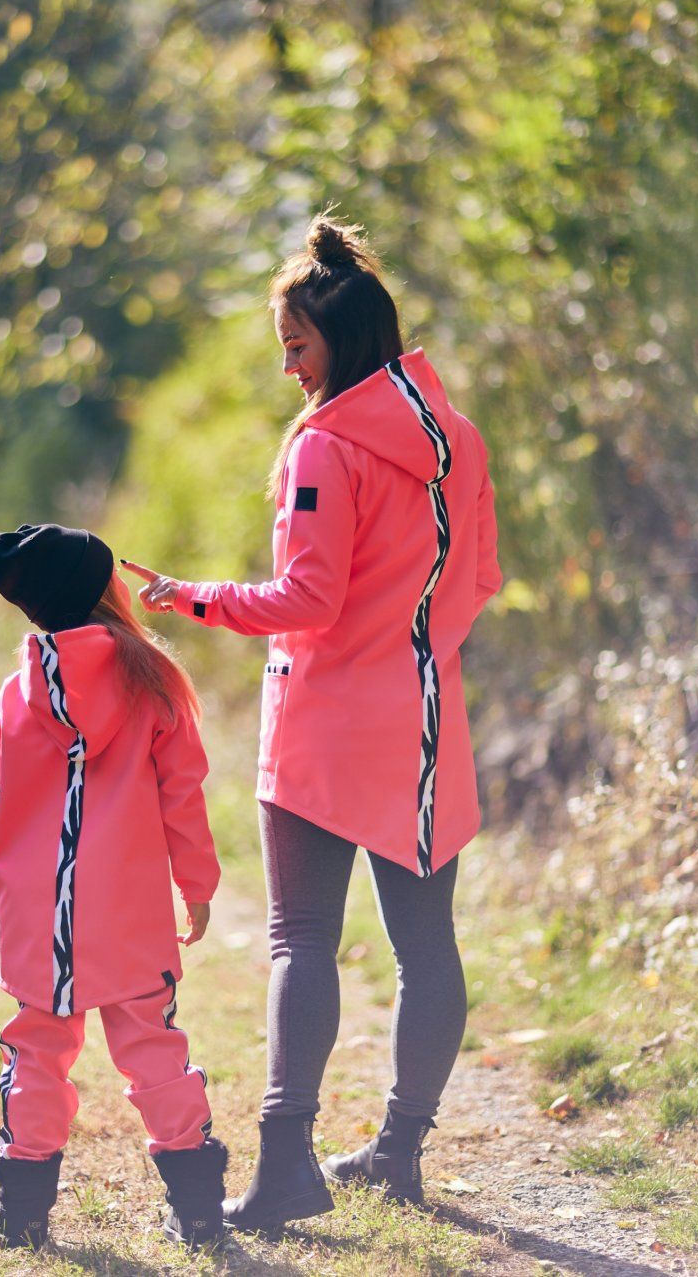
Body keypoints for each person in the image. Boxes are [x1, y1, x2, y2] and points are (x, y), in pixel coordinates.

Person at [121, 214, 502, 1231]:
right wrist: (413, 649)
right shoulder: (460, 441)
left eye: (296, 346)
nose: (288, 368)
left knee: (301, 940)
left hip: (324, 727)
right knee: (427, 948)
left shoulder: (326, 447)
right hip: (425, 724)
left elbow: (307, 598)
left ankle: (287, 1163)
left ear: (343, 337)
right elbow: (479, 579)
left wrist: (191, 596)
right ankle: (398, 1153)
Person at [0, 522, 228, 1250]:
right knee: (154, 1047)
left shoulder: (18, 694)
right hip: (131, 912)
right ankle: (199, 1209)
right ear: (102, 589)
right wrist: (197, 884)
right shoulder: (153, 680)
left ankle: (23, 1212)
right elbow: (184, 795)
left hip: (38, 913)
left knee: (36, 1053)